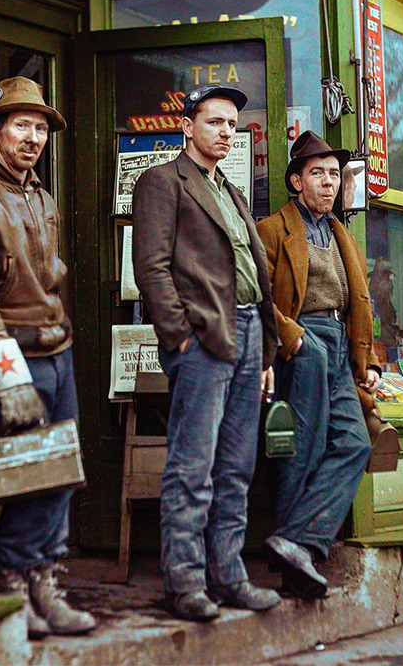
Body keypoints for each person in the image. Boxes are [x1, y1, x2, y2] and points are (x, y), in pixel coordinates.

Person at [132, 85, 281, 621]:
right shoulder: (162, 182)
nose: (225, 131)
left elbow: (255, 277)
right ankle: (185, 583)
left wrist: (264, 352)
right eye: (214, 121)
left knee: (236, 467)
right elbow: (150, 267)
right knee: (192, 467)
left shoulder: (232, 191)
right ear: (188, 128)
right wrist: (180, 337)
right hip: (203, 339)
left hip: (246, 337)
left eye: (232, 125)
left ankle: (229, 576)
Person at [257, 130, 399, 599]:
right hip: (304, 343)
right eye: (316, 173)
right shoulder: (274, 229)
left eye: (334, 174)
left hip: (341, 345)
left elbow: (360, 304)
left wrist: (371, 360)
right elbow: (255, 295)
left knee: (356, 444)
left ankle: (296, 541)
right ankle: (296, 557)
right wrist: (292, 337)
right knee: (306, 446)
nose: (327, 182)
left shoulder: (343, 236)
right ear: (297, 181)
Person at [0, 76, 96, 639]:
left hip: (58, 347)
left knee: (59, 471)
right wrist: (7, 378)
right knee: (26, 472)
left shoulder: (42, 197)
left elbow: (50, 279)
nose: (33, 137)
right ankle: (11, 585)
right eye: (21, 125)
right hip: (13, 352)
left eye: (41, 128)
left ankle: (46, 581)